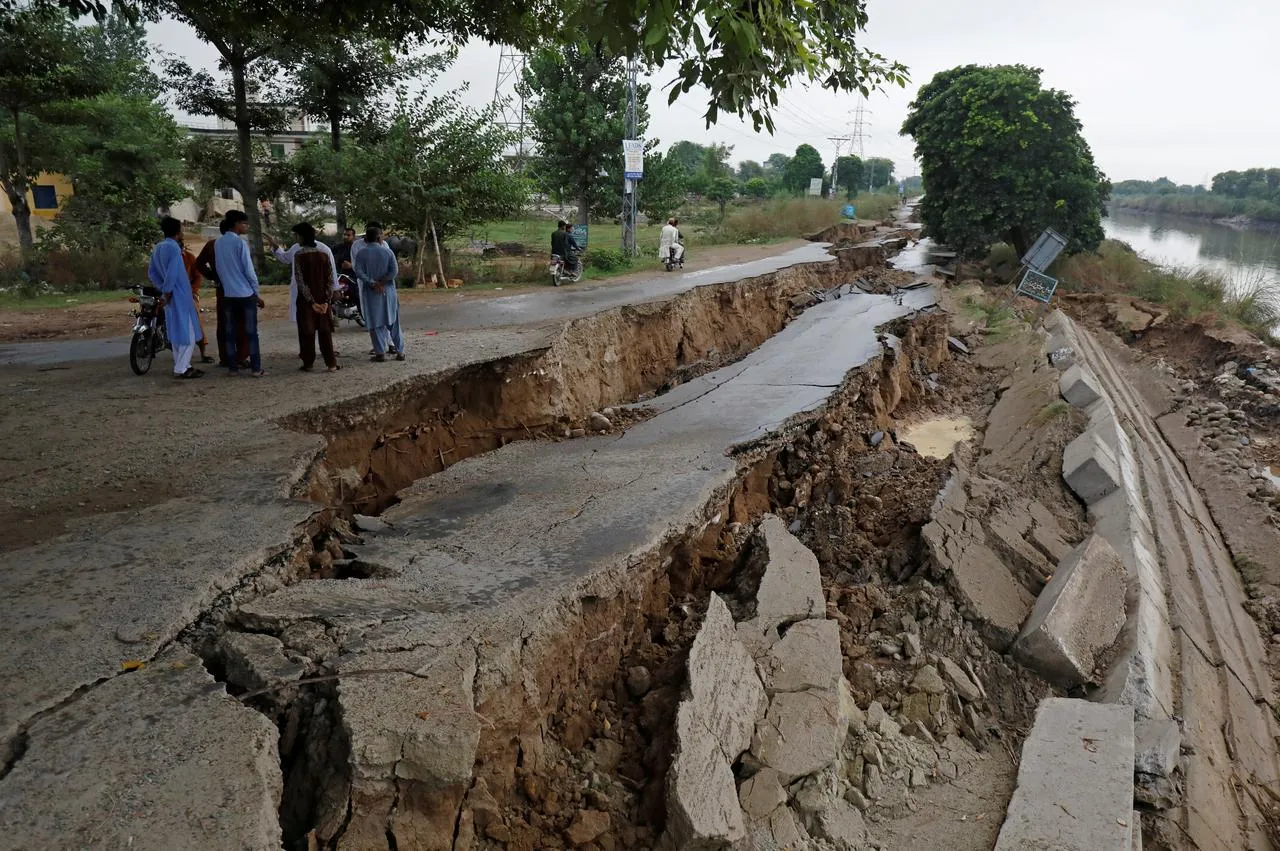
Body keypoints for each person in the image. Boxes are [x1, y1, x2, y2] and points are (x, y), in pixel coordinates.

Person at [147, 217, 203, 380]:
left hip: (170, 294)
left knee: (177, 331)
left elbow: (151, 272)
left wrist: (161, 288)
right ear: (178, 232)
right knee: (188, 333)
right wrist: (168, 291)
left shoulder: (157, 248)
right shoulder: (174, 249)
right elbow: (172, 273)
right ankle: (181, 368)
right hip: (178, 294)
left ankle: (184, 365)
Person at [214, 209, 266, 377]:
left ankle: (232, 368)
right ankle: (256, 368)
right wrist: (256, 293)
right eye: (244, 224)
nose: (246, 227)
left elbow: (219, 269)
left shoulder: (218, 243)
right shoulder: (240, 243)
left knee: (229, 332)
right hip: (245, 294)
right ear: (236, 224)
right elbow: (249, 271)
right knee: (251, 332)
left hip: (228, 294)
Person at [285, 223, 340, 373]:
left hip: (306, 302)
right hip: (323, 300)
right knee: (325, 332)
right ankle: (331, 364)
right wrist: (326, 301)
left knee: (306, 333)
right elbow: (330, 280)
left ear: (302, 237)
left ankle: (308, 363)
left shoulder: (299, 256)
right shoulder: (323, 254)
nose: (296, 239)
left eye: (297, 236)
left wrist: (312, 302)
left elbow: (300, 281)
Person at [354, 223, 404, 362]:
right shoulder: (387, 252)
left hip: (371, 293)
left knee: (375, 322)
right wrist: (382, 281)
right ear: (379, 238)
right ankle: (400, 352)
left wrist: (372, 282)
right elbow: (394, 271)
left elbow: (358, 272)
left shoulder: (361, 253)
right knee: (393, 322)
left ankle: (380, 353)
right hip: (388, 291)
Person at [179, 232, 215, 364]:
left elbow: (197, 277)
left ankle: (203, 353)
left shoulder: (189, 257)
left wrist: (192, 291)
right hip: (171, 293)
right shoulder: (167, 257)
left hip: (188, 293)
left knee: (195, 319)